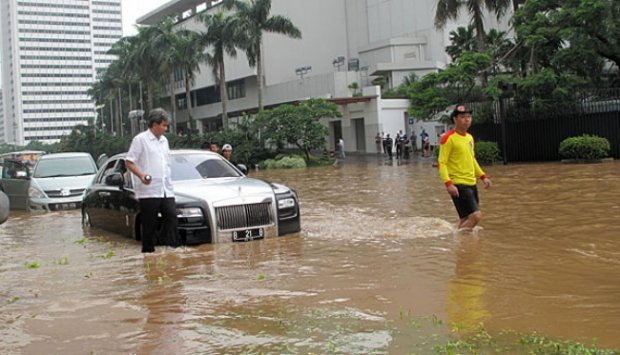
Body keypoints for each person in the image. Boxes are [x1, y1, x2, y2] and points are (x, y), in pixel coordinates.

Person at [125, 108, 180, 253]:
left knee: (172, 218)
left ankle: (172, 250)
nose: (165, 128)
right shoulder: (140, 140)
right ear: (154, 124)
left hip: (166, 189)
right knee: (149, 224)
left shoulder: (164, 141)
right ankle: (148, 254)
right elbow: (129, 162)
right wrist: (141, 175)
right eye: (163, 125)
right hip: (149, 191)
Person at [438, 105, 492, 231]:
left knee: (465, 219)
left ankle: (463, 247)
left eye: (468, 117)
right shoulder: (448, 138)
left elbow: (472, 159)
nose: (467, 119)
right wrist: (448, 184)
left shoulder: (469, 138)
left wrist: (483, 176)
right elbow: (442, 163)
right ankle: (460, 239)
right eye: (462, 117)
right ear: (455, 119)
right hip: (458, 184)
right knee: (476, 216)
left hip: (471, 182)